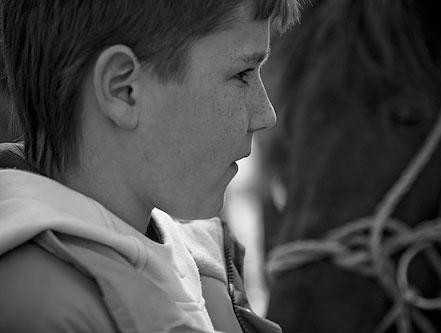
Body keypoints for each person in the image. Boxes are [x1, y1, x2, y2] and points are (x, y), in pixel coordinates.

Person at [0, 1, 300, 332]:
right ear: (123, 90)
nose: (266, 114)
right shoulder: (40, 310)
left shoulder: (204, 263)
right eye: (242, 73)